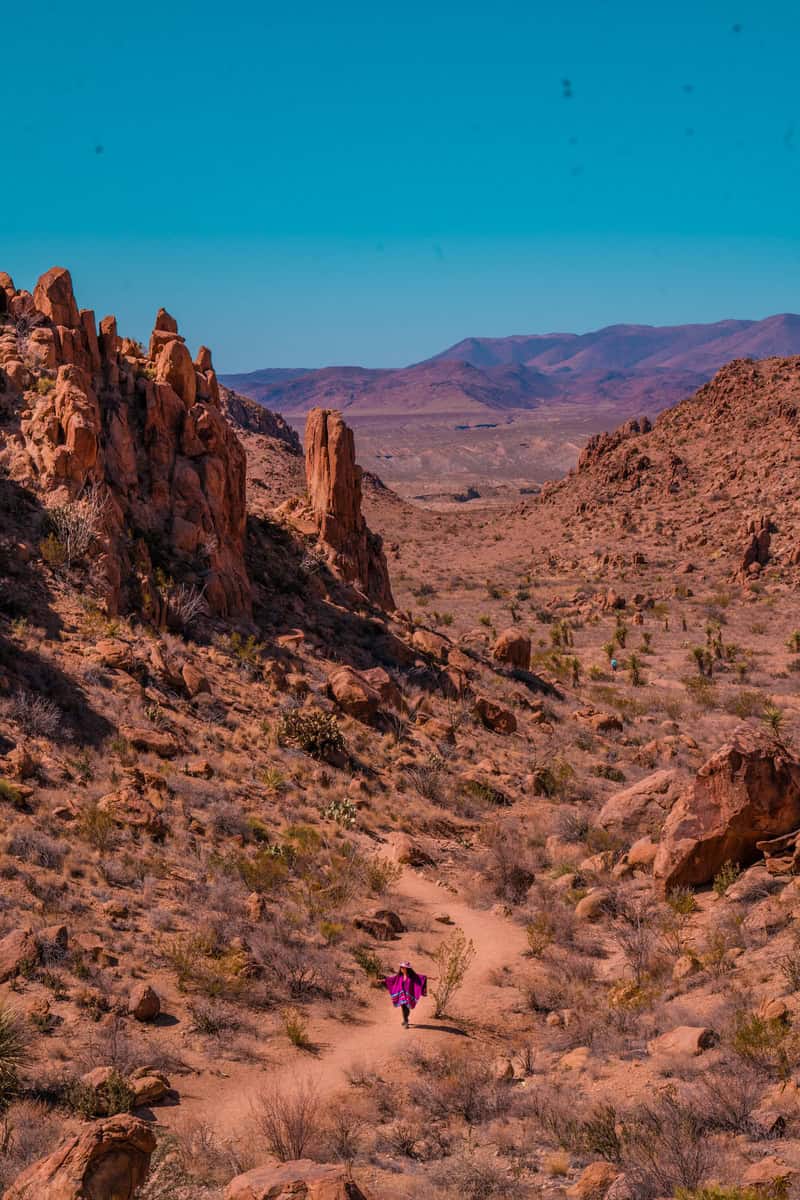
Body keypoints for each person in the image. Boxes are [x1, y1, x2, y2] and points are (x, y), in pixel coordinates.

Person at [384, 961, 427, 1028]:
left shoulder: (412, 976)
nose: (402, 969)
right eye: (401, 968)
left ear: (407, 969)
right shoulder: (399, 976)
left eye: (404, 968)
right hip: (401, 995)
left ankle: (405, 1019)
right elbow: (392, 980)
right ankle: (406, 1021)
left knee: (407, 1008)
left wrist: (431, 978)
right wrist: (383, 980)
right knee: (404, 1007)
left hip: (408, 995)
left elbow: (421, 978)